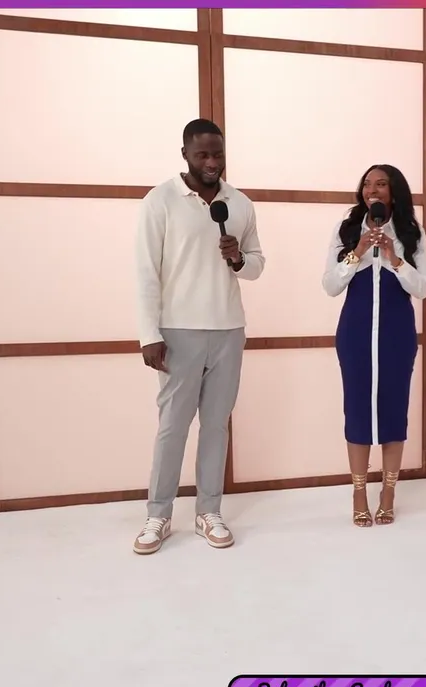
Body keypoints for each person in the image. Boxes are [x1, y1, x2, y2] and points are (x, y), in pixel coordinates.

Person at [131, 118, 266, 555]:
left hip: (228, 329)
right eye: (202, 154)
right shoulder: (160, 200)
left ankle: (209, 511)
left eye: (217, 154)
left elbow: (257, 264)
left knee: (216, 426)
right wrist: (148, 334)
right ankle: (158, 514)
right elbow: (145, 272)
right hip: (177, 331)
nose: (211, 162)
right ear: (185, 154)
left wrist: (239, 259)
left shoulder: (239, 204)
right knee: (173, 426)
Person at [322, 164, 426, 527]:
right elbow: (330, 285)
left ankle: (388, 492)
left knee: (393, 409)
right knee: (356, 409)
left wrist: (394, 258)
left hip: (397, 333)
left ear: (393, 192)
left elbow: (423, 288)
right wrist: (358, 251)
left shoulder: (411, 232)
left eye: (381, 184)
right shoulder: (347, 229)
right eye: (367, 184)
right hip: (354, 332)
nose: (373, 190)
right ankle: (358, 492)